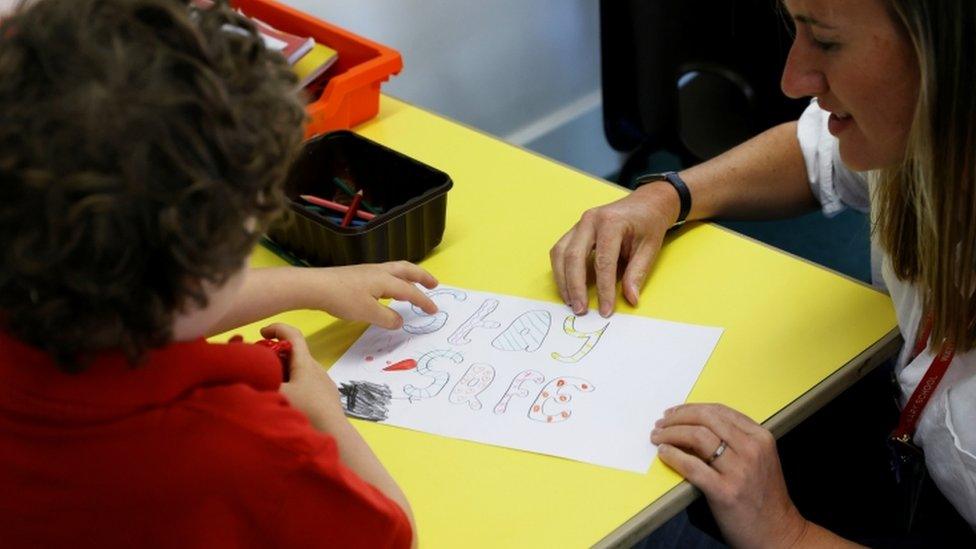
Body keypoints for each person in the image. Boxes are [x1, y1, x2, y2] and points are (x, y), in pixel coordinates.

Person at [0, 0, 438, 546]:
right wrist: (328, 418)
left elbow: (165, 304)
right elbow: (392, 533)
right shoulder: (249, 451)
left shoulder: (44, 289)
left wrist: (315, 285)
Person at [551, 0, 976, 545]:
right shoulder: (915, 135)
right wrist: (669, 196)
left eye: (825, 41)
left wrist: (785, 533)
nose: (792, 79)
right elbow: (813, 153)